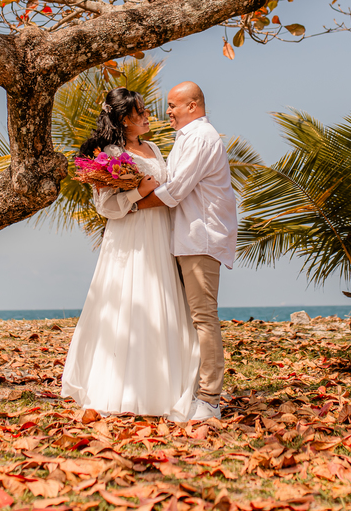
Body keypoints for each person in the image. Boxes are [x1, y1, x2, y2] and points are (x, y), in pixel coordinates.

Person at [60, 88, 200, 421]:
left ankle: (166, 384)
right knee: (128, 301)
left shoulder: (152, 147)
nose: (149, 115)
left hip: (160, 232)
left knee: (160, 299)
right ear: (125, 119)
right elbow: (106, 206)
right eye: (141, 112)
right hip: (130, 236)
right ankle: (121, 387)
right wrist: (139, 190)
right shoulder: (110, 152)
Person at [134, 81, 236, 421]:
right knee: (190, 318)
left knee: (203, 318)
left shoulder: (201, 139)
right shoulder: (187, 139)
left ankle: (209, 399)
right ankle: (189, 389)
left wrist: (131, 206)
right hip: (186, 238)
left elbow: (174, 189)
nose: (168, 112)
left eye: (173, 105)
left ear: (193, 106)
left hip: (200, 239)